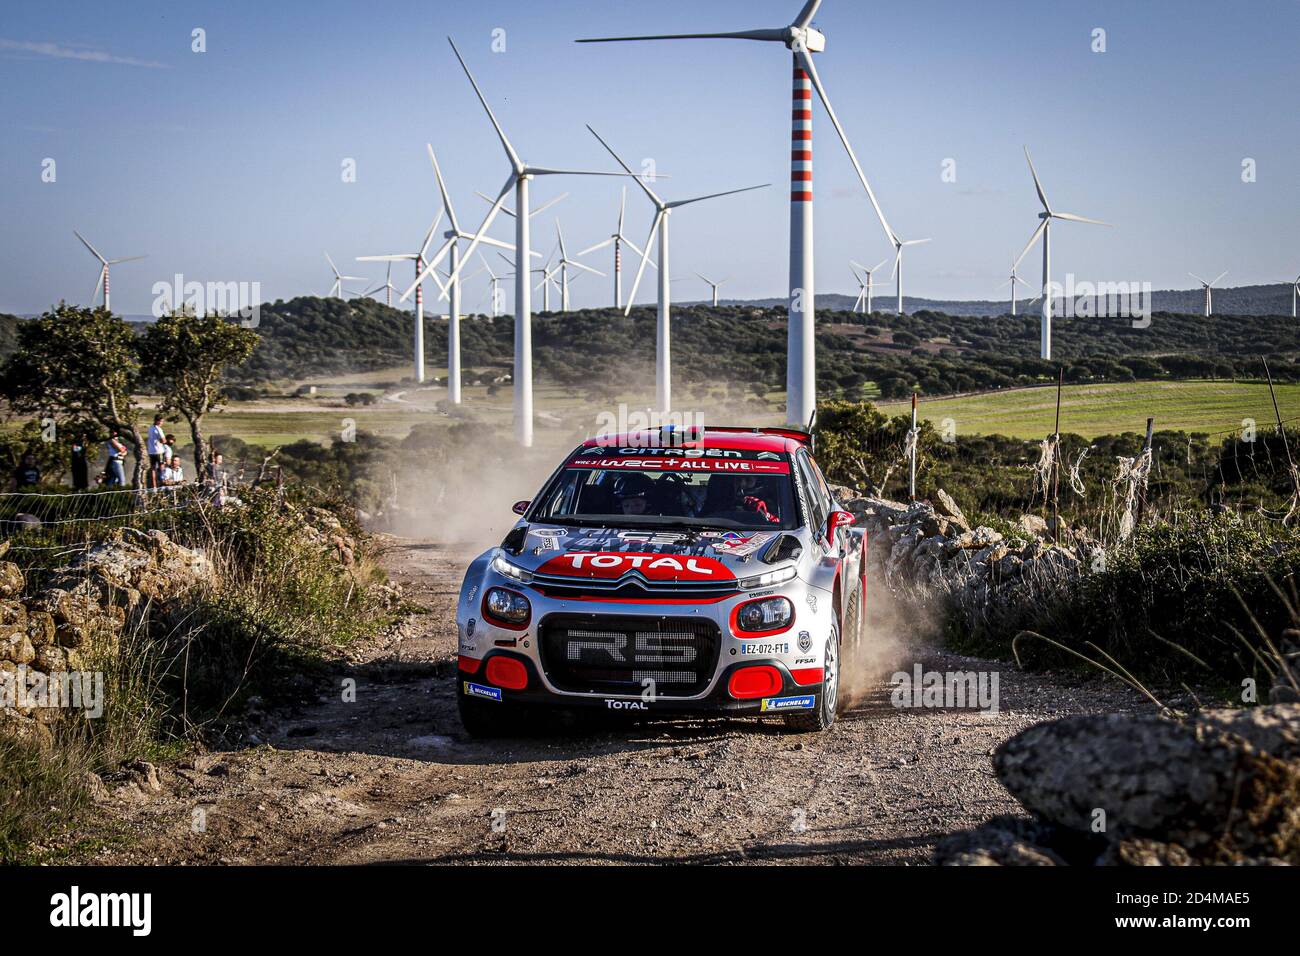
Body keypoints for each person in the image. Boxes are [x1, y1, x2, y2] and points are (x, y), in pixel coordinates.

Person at [146, 415, 166, 490]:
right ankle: (162, 484)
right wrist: (162, 441)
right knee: (162, 468)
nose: (162, 423)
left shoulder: (150, 428)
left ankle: (154, 486)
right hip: (159, 451)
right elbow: (163, 440)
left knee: (153, 469)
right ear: (158, 421)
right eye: (161, 421)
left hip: (151, 451)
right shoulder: (158, 429)